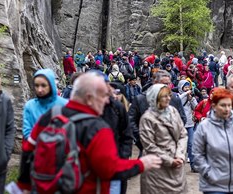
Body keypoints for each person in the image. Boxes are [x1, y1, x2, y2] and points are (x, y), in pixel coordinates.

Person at [17, 72, 162, 193]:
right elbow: (109, 170)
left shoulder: (51, 115)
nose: (107, 101)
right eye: (104, 96)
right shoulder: (98, 128)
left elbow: (29, 149)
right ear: (89, 98)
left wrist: (24, 185)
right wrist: (142, 163)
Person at [193, 87, 233, 194]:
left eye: (229, 105)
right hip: (214, 186)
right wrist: (208, 173)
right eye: (223, 105)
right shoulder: (204, 127)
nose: (227, 109)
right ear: (214, 106)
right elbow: (198, 154)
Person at [139, 84, 188, 194]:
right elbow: (149, 145)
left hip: (176, 165)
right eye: (164, 96)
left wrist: (179, 155)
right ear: (155, 98)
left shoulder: (173, 112)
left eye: (169, 95)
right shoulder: (147, 118)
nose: (168, 98)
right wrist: (170, 161)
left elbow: (183, 134)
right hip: (157, 169)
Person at [128, 70, 186, 157]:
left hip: (170, 150)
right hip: (148, 151)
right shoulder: (141, 99)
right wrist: (141, 140)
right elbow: (131, 121)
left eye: (168, 84)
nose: (166, 87)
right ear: (155, 83)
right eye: (163, 84)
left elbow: (182, 119)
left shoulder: (174, 98)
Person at [22, 69, 68, 139]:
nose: (39, 90)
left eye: (43, 85)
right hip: (36, 147)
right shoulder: (30, 106)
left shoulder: (64, 104)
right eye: (37, 86)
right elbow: (26, 131)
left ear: (51, 85)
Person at [177, 80, 198, 172]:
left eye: (188, 87)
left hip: (190, 124)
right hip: (180, 124)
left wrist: (192, 100)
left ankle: (193, 164)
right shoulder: (177, 96)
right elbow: (178, 102)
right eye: (185, 87)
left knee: (191, 144)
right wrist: (185, 94)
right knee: (180, 145)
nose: (187, 89)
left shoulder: (190, 97)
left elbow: (196, 108)